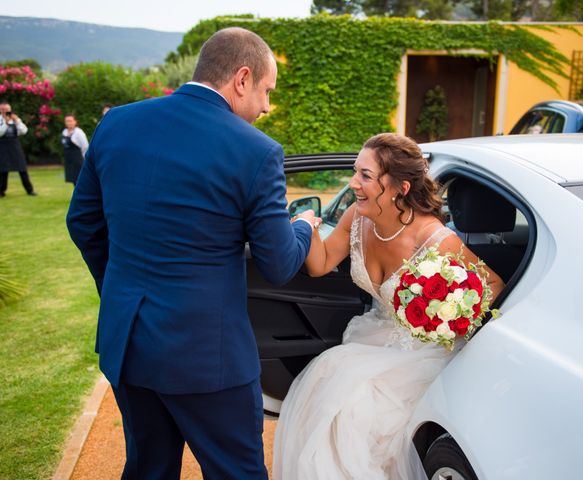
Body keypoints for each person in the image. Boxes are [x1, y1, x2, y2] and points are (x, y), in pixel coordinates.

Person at [66, 27, 316, 479]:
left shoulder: (117, 122)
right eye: (265, 91)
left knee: (148, 468)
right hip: (207, 358)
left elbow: (82, 222)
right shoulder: (257, 151)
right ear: (242, 78)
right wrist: (303, 226)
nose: (265, 106)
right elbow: (279, 262)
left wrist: (121, 289)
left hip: (128, 341)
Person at [273, 133, 505, 480]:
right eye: (356, 172)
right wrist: (304, 227)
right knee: (330, 380)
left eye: (365, 176)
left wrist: (445, 315)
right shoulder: (358, 217)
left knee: (352, 406)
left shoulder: (435, 239)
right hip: (374, 337)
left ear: (400, 187)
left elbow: (493, 284)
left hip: (421, 354)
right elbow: (320, 264)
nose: (354, 183)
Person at [0, 101, 37, 197]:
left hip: (15, 148)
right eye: (3, 110)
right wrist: (6, 122)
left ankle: (30, 190)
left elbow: (24, 131)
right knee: (3, 170)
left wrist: (17, 121)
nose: (5, 111)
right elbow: (0, 133)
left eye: (7, 109)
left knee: (22, 169)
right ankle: (1, 191)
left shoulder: (15, 119)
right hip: (3, 148)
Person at [61, 113, 89, 186]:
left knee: (80, 180)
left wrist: (84, 159)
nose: (69, 123)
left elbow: (85, 146)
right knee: (73, 180)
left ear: (75, 122)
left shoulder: (79, 132)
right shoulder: (64, 132)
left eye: (70, 121)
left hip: (78, 160)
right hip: (69, 160)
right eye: (67, 121)